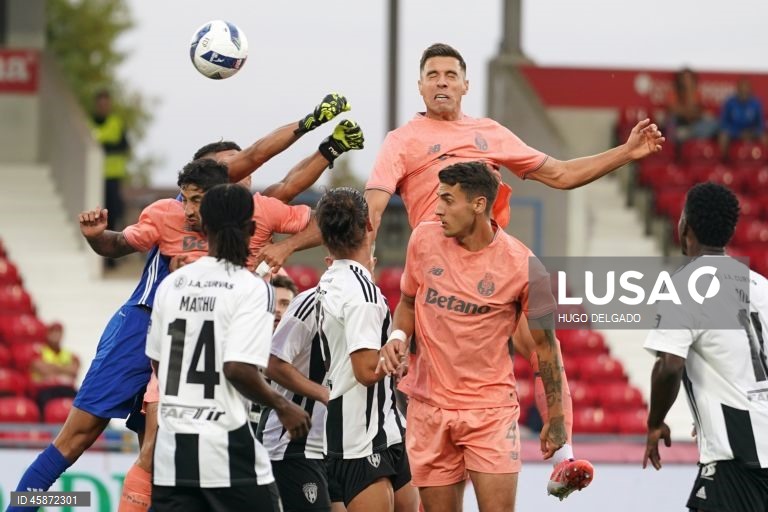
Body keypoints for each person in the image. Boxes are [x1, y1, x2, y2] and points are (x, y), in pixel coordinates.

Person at [7, 93, 355, 512]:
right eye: (232, 167)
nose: (242, 174)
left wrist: (326, 153)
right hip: (145, 325)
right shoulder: (169, 213)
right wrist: (98, 235)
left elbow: (291, 193)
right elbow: (117, 244)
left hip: (201, 343)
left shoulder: (254, 212)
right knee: (80, 436)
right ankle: (21, 504)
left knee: (156, 454)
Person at [364, 42, 653, 498]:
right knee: (411, 370)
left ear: (465, 84)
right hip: (434, 270)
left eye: (450, 74)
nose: (441, 81)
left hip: (494, 267)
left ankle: (563, 456)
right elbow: (374, 204)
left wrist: (626, 152)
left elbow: (559, 174)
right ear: (419, 86)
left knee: (542, 344)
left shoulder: (490, 133)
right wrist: (362, 261)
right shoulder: (402, 141)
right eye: (432, 74)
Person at [376, 162, 565, 512]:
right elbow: (407, 300)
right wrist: (398, 335)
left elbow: (546, 349)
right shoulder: (423, 239)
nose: (438, 209)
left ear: (478, 204)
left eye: (448, 200)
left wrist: (556, 420)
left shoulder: (525, 266)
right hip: (429, 408)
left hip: (489, 413)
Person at [147, 183, 311, 511]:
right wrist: (283, 405)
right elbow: (237, 368)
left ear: (203, 228)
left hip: (172, 455)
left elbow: (158, 364)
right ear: (252, 229)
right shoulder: (251, 288)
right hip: (226, 451)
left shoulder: (171, 284)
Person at [643, 182, 768, 512]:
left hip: (737, 460)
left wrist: (655, 422)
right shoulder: (760, 286)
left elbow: (669, 365)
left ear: (685, 225)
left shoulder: (686, 285)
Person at [314, 188, 415, 512]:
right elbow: (366, 370)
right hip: (361, 438)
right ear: (369, 226)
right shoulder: (362, 293)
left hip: (380, 427)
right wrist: (393, 355)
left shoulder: (329, 280)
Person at [30, 322, 79, 411]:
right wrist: (64, 369)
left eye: (59, 332)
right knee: (41, 401)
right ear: (48, 334)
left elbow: (74, 371)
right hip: (46, 390)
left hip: (66, 389)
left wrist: (52, 367)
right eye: (53, 332)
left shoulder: (70, 355)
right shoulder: (38, 352)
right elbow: (43, 370)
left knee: (82, 402)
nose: (56, 335)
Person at [665, 68, 719, 145]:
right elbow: (673, 111)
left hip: (693, 125)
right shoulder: (673, 93)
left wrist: (689, 91)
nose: (686, 81)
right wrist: (688, 112)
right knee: (670, 119)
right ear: (679, 80)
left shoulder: (697, 93)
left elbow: (697, 112)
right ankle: (673, 145)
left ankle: (688, 134)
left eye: (689, 78)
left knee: (713, 122)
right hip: (679, 123)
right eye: (684, 78)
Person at [719, 79, 767, 156]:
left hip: (751, 131)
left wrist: (752, 132)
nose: (744, 92)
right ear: (737, 90)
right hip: (734, 131)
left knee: (764, 137)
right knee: (723, 136)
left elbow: (760, 124)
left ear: (750, 90)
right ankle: (724, 160)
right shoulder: (730, 102)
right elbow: (724, 123)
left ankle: (765, 161)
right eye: (742, 90)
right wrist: (737, 133)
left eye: (746, 90)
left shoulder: (756, 103)